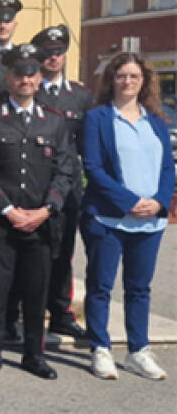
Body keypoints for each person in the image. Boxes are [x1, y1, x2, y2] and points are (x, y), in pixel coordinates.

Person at [0, 43, 77, 380]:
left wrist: (47, 210)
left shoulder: (55, 121)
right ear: (8, 77)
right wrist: (7, 209)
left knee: (38, 292)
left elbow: (65, 172)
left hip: (41, 223)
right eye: (19, 73)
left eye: (31, 73)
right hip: (2, 222)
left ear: (38, 78)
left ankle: (34, 354)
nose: (25, 79)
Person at [80, 52, 173, 381]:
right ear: (111, 80)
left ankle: (138, 351)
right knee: (101, 286)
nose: (128, 81)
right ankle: (100, 349)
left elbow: (167, 167)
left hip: (151, 221)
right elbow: (92, 167)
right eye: (121, 76)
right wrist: (130, 201)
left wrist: (160, 202)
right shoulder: (98, 118)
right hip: (109, 218)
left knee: (139, 288)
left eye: (134, 76)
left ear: (144, 81)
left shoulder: (157, 121)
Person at [31, 24, 95, 339]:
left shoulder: (80, 96)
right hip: (31, 185)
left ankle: (60, 312)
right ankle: (25, 312)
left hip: (68, 189)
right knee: (31, 253)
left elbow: (88, 146)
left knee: (63, 253)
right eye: (47, 53)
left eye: (58, 52)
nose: (53, 58)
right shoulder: (29, 89)